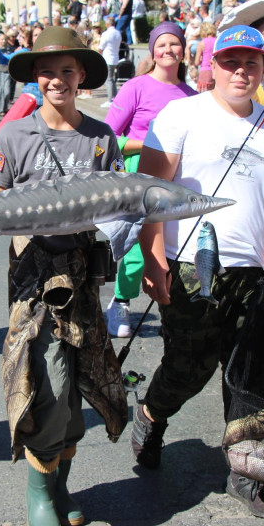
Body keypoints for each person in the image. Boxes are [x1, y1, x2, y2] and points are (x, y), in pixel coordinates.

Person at [0, 26, 128, 526]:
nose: (57, 79)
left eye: (66, 71)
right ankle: (37, 486)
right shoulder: (14, 136)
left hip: (85, 273)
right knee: (46, 380)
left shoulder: (101, 137)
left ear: (81, 78)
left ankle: (59, 486)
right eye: (46, 71)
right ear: (35, 77)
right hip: (35, 280)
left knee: (79, 381)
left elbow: (118, 205)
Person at [131, 25, 264, 520]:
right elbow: (149, 190)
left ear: (263, 68)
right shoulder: (183, 114)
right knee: (189, 369)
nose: (241, 71)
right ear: (211, 65)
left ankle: (245, 471)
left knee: (249, 371)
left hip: (253, 272)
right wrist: (153, 254)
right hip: (191, 267)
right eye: (230, 61)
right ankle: (151, 414)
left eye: (251, 62)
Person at [103, 22, 197, 337]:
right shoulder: (136, 87)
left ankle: (173, 306)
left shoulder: (193, 96)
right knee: (134, 246)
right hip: (137, 172)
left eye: (175, 44)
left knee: (172, 243)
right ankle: (120, 303)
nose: (168, 50)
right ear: (152, 51)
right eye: (162, 44)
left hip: (177, 177)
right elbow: (109, 135)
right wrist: (153, 144)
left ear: (183, 50)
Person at [98, 14, 122, 107]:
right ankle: (115, 98)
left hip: (108, 58)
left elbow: (101, 47)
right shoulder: (117, 33)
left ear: (107, 24)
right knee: (112, 79)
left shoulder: (106, 34)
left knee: (109, 80)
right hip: (115, 57)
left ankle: (110, 100)